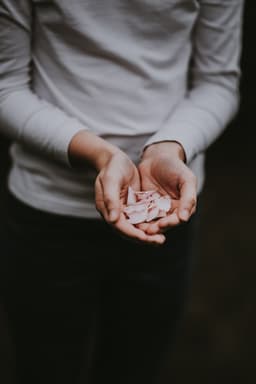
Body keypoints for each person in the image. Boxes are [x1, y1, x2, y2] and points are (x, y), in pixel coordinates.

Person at [0, 1, 244, 383]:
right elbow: (5, 88)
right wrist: (100, 153)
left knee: (136, 370)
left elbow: (219, 82)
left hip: (167, 214)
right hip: (47, 214)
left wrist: (170, 146)